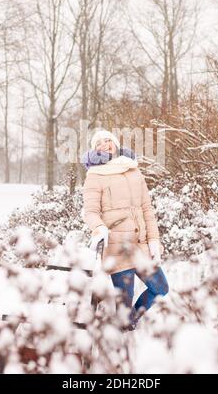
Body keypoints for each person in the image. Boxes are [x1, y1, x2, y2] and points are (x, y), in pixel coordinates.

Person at [82, 129, 169, 331]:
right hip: (117, 248)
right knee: (124, 304)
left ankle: (130, 321)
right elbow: (91, 212)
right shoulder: (94, 175)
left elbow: (147, 208)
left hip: (140, 245)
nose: (105, 145)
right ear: (95, 150)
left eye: (108, 140)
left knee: (161, 288)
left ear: (115, 143)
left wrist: (154, 240)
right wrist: (99, 228)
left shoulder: (133, 169)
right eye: (99, 143)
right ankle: (123, 334)